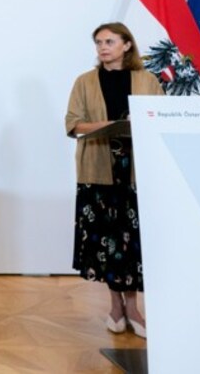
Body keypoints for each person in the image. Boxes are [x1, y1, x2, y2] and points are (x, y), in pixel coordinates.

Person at [65, 22, 163, 338]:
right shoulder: (85, 81)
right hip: (99, 171)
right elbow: (73, 124)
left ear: (127, 45)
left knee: (131, 243)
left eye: (109, 41)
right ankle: (115, 307)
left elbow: (161, 117)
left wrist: (143, 121)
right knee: (106, 242)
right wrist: (111, 124)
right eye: (98, 42)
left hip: (136, 171)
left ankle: (133, 308)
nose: (102, 47)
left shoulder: (147, 81)